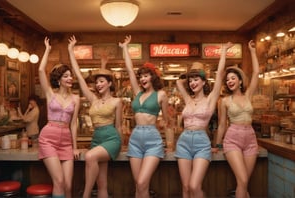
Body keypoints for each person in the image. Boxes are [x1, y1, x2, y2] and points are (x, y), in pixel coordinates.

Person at [175, 42, 234, 198]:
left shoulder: (210, 99)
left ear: (203, 82)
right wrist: (190, 73)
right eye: (191, 80)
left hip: (202, 142)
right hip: (184, 141)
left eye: (196, 79)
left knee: (195, 186)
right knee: (186, 187)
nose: (193, 83)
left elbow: (220, 73)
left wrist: (223, 52)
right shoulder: (188, 99)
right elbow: (178, 82)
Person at [68, 35, 122, 198]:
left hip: (112, 138)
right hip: (96, 138)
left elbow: (118, 125)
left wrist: (122, 144)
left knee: (90, 156)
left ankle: (85, 195)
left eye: (101, 81)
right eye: (96, 82)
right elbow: (78, 74)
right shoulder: (93, 99)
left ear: (109, 83)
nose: (98, 85)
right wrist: (71, 50)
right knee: (102, 184)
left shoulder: (117, 101)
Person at [119, 35, 169, 198]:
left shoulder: (161, 95)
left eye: (146, 75)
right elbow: (129, 69)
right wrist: (125, 48)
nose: (142, 79)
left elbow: (167, 122)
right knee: (140, 187)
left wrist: (169, 143)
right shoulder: (137, 92)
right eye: (141, 76)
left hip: (152, 139)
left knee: (141, 182)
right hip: (135, 138)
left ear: (153, 77)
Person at [213, 40, 259, 198]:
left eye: (233, 78)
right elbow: (221, 125)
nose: (229, 81)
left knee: (243, 183)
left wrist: (252, 51)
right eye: (227, 80)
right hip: (233, 138)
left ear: (240, 81)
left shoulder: (248, 95)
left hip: (251, 139)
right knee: (243, 179)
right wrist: (217, 145)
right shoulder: (225, 101)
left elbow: (256, 73)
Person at [38, 37, 80, 198]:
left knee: (68, 185)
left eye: (71, 75)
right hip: (48, 138)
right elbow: (41, 71)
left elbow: (74, 124)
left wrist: (75, 146)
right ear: (59, 80)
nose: (70, 78)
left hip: (66, 141)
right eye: (66, 76)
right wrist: (47, 50)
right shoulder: (50, 94)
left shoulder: (75, 98)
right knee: (59, 182)